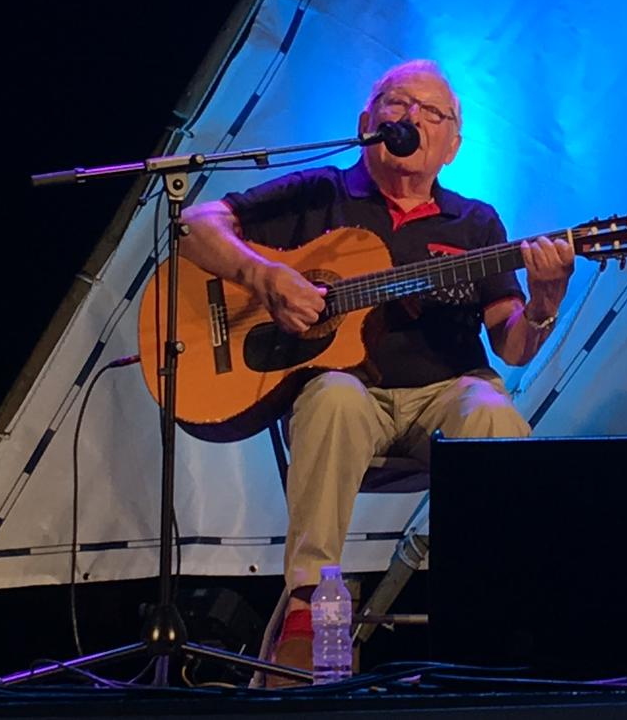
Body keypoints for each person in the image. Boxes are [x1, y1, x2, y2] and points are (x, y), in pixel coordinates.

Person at [181, 59, 574, 681]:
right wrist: (266, 277)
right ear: (368, 120)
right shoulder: (320, 193)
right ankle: (309, 609)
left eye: (432, 112)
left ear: (452, 146)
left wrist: (546, 301)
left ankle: (498, 608)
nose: (412, 117)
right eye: (397, 102)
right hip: (352, 397)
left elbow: (513, 346)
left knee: (492, 413)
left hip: (446, 393)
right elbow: (196, 224)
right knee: (334, 394)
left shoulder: (475, 223)